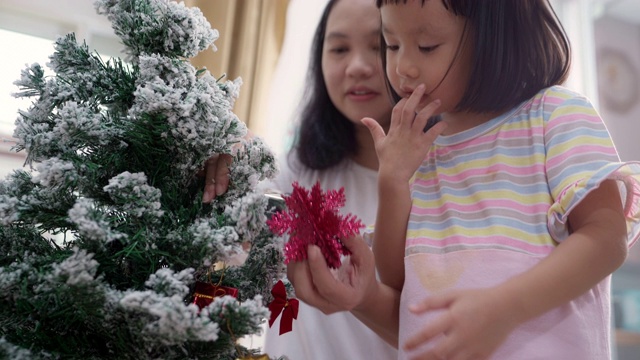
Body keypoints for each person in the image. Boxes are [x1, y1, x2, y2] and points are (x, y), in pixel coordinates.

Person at [287, 0, 640, 359]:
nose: (402, 67)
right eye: (391, 44)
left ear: (494, 39)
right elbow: (397, 282)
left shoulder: (556, 116)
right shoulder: (421, 150)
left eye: (427, 46)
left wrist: (506, 307)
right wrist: (392, 181)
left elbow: (607, 239)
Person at [204, 0, 398, 358]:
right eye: (339, 48)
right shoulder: (296, 171)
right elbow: (231, 237)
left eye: (381, 45)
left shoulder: (437, 184)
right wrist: (226, 153)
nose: (357, 66)